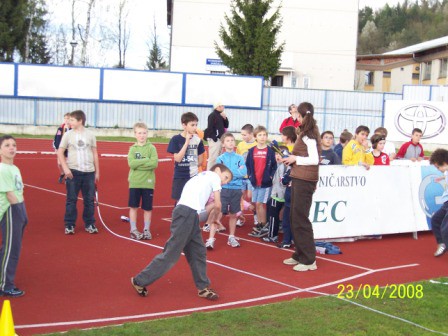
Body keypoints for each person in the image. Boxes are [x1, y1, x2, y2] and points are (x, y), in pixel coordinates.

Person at [131, 164, 233, 300]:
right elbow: (218, 204)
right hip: (186, 214)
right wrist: (215, 219)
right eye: (226, 178)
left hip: (189, 215)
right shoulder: (213, 176)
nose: (225, 182)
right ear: (218, 170)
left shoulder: (201, 178)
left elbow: (209, 206)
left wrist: (213, 218)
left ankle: (203, 287)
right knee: (171, 253)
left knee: (198, 252)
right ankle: (139, 281)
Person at [281, 102, 321, 272]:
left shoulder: (308, 134)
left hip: (305, 180)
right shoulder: (304, 132)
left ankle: (309, 259)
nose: (294, 116)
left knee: (300, 218)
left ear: (302, 115)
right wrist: (290, 158)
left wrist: (295, 159)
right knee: (294, 216)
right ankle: (300, 254)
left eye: (297, 114)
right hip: (299, 177)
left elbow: (314, 159)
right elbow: (303, 156)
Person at [57, 110, 100, 235]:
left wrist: (97, 171)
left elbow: (95, 153)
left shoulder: (90, 135)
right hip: (73, 172)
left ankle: (90, 223)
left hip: (89, 172)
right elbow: (60, 152)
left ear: (80, 121)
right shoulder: (68, 135)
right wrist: (65, 169)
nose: (68, 122)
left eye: (71, 120)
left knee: (89, 200)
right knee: (71, 199)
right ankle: (69, 224)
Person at [205, 133, 247, 249]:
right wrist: (235, 172)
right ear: (223, 144)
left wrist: (229, 173)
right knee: (217, 213)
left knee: (233, 214)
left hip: (236, 189)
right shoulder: (220, 158)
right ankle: (210, 239)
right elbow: (218, 174)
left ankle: (231, 237)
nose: (231, 142)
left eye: (232, 140)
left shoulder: (239, 158)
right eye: (228, 141)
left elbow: (243, 173)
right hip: (223, 189)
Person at [0, 135, 28, 297]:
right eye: (7, 145)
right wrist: (19, 212)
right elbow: (10, 194)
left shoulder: (14, 168)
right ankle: (6, 285)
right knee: (11, 249)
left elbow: (19, 191)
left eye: (14, 145)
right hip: (10, 210)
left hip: (18, 208)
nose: (12, 148)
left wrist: (23, 214)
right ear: (1, 150)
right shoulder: (2, 169)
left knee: (11, 247)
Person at [127, 122, 159, 240]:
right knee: (133, 206)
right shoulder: (132, 149)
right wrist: (146, 160)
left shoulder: (152, 148)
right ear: (135, 134)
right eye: (139, 133)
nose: (142, 135)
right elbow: (131, 164)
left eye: (144, 133)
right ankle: (133, 229)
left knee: (147, 208)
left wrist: (139, 163)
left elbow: (154, 164)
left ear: (147, 134)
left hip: (148, 183)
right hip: (135, 182)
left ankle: (146, 229)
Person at [246, 126, 277, 235]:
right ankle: (259, 224)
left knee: (260, 204)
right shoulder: (252, 151)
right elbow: (248, 165)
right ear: (255, 137)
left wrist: (271, 176)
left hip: (265, 183)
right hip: (255, 182)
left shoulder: (270, 151)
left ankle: (264, 225)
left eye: (264, 135)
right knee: (256, 203)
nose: (263, 137)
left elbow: (274, 165)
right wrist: (250, 176)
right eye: (260, 135)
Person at [167, 112, 205, 202]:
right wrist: (187, 142)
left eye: (196, 125)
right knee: (180, 201)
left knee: (192, 201)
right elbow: (177, 159)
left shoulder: (198, 140)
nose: (195, 127)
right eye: (192, 125)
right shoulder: (176, 139)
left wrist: (192, 166)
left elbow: (200, 160)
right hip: (180, 176)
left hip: (193, 176)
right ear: (184, 125)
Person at [255, 146, 288, 243]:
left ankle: (272, 235)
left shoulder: (283, 166)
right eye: (276, 154)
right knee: (272, 211)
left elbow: (282, 182)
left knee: (273, 216)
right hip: (279, 194)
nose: (278, 156)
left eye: (280, 154)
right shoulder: (279, 165)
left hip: (278, 195)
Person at [236, 124, 257, 226]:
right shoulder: (240, 145)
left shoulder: (257, 144)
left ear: (251, 134)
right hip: (241, 175)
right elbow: (238, 159)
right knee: (240, 196)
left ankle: (256, 216)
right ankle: (240, 216)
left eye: (244, 135)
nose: (242, 137)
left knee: (252, 197)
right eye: (242, 134)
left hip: (252, 176)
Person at [429, 149, 448, 258]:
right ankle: (441, 243)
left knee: (445, 228)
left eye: (437, 167)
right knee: (436, 219)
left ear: (444, 163)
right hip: (446, 203)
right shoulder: (445, 171)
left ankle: (445, 244)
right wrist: (442, 177)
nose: (438, 169)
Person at [204, 103, 228, 169]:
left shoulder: (221, 115)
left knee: (219, 157)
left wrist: (225, 118)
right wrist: (214, 138)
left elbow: (226, 125)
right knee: (213, 158)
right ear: (218, 107)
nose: (223, 107)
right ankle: (209, 173)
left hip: (220, 139)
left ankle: (216, 172)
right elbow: (210, 128)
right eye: (222, 105)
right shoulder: (212, 115)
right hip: (215, 140)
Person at [53, 112, 71, 183]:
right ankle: (62, 173)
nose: (66, 120)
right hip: (61, 148)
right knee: (59, 163)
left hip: (68, 149)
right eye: (65, 118)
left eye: (68, 118)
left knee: (67, 163)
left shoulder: (72, 129)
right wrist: (55, 147)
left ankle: (67, 176)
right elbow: (56, 138)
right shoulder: (60, 128)